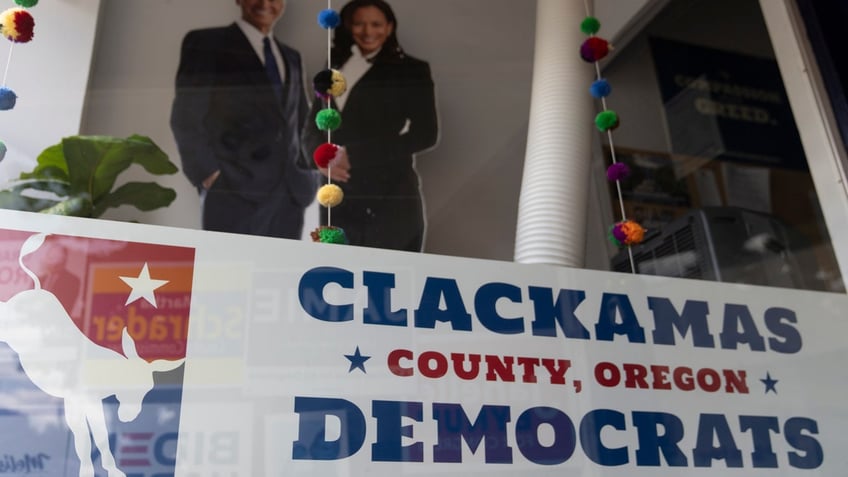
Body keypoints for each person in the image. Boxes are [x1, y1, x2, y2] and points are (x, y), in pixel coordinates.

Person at [170, 0, 318, 239]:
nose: (264, 3)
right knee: (231, 271)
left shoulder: (292, 57)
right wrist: (209, 175)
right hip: (233, 191)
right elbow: (186, 116)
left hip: (290, 193)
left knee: (277, 273)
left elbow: (300, 121)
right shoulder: (207, 44)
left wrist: (309, 175)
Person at [303, 0, 439, 251]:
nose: (368, 31)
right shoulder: (333, 65)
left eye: (376, 24)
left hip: (389, 196)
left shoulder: (412, 70)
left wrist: (351, 155)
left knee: (393, 281)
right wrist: (319, 158)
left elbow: (426, 134)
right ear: (347, 27)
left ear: (389, 27)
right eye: (359, 24)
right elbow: (312, 123)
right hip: (336, 198)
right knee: (336, 281)